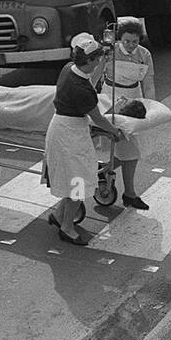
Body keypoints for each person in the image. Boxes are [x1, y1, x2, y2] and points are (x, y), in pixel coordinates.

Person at [44, 34, 124, 246]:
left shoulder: (69, 68)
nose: (98, 62)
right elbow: (96, 117)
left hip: (65, 129)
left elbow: (91, 77)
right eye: (96, 59)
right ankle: (67, 228)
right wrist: (114, 131)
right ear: (87, 61)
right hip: (68, 134)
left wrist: (105, 57)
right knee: (77, 182)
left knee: (76, 176)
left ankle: (59, 216)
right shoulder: (79, 88)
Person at [96, 17, 156, 210]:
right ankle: (107, 174)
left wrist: (151, 106)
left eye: (135, 42)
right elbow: (94, 75)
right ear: (120, 39)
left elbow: (148, 83)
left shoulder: (144, 55)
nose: (131, 45)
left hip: (133, 97)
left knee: (130, 149)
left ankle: (123, 187)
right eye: (127, 41)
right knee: (118, 143)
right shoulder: (109, 52)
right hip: (111, 96)